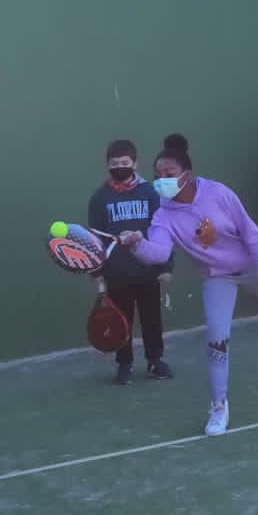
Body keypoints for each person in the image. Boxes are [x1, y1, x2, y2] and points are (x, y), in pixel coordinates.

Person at [120, 135, 258, 437]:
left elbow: (251, 233)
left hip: (251, 266)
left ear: (187, 174)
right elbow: (158, 253)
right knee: (216, 339)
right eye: (157, 176)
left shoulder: (219, 194)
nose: (162, 180)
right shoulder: (163, 215)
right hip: (216, 277)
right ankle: (219, 406)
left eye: (169, 173)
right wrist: (137, 244)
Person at [85, 139, 171, 385]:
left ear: (135, 163)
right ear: (107, 166)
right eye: (114, 164)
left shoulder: (150, 193)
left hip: (147, 272)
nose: (120, 167)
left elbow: (164, 230)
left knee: (152, 321)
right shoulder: (99, 198)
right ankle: (125, 365)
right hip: (116, 275)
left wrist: (166, 267)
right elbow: (95, 240)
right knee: (120, 323)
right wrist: (97, 274)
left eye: (124, 163)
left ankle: (155, 361)